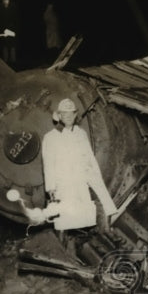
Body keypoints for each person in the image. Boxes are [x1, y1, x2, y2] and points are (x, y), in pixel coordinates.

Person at [41, 98, 118, 239]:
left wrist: (95, 178)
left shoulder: (81, 134)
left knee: (97, 206)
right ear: (59, 116)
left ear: (75, 115)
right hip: (63, 183)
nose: (69, 116)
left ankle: (107, 233)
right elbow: (48, 165)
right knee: (63, 218)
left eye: (71, 113)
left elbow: (89, 158)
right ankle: (61, 247)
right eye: (65, 114)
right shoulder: (50, 138)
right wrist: (51, 188)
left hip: (80, 178)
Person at [0, 0, 19, 65]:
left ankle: (14, 64)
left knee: (12, 46)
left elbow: (16, 19)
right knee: (4, 46)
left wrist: (14, 30)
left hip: (12, 29)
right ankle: (5, 63)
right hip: (3, 29)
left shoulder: (13, 5)